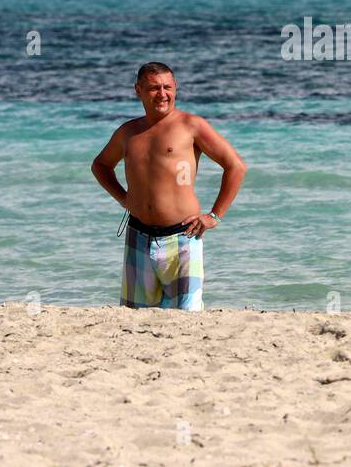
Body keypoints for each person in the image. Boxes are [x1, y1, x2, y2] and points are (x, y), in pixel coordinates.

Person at [91, 62, 247, 310]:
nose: (162, 94)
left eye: (167, 87)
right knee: (134, 318)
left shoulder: (191, 125)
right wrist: (123, 198)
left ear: (176, 88)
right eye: (154, 88)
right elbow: (100, 165)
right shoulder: (128, 131)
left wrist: (215, 215)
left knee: (188, 319)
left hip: (183, 238)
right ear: (138, 90)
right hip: (138, 236)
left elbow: (235, 166)